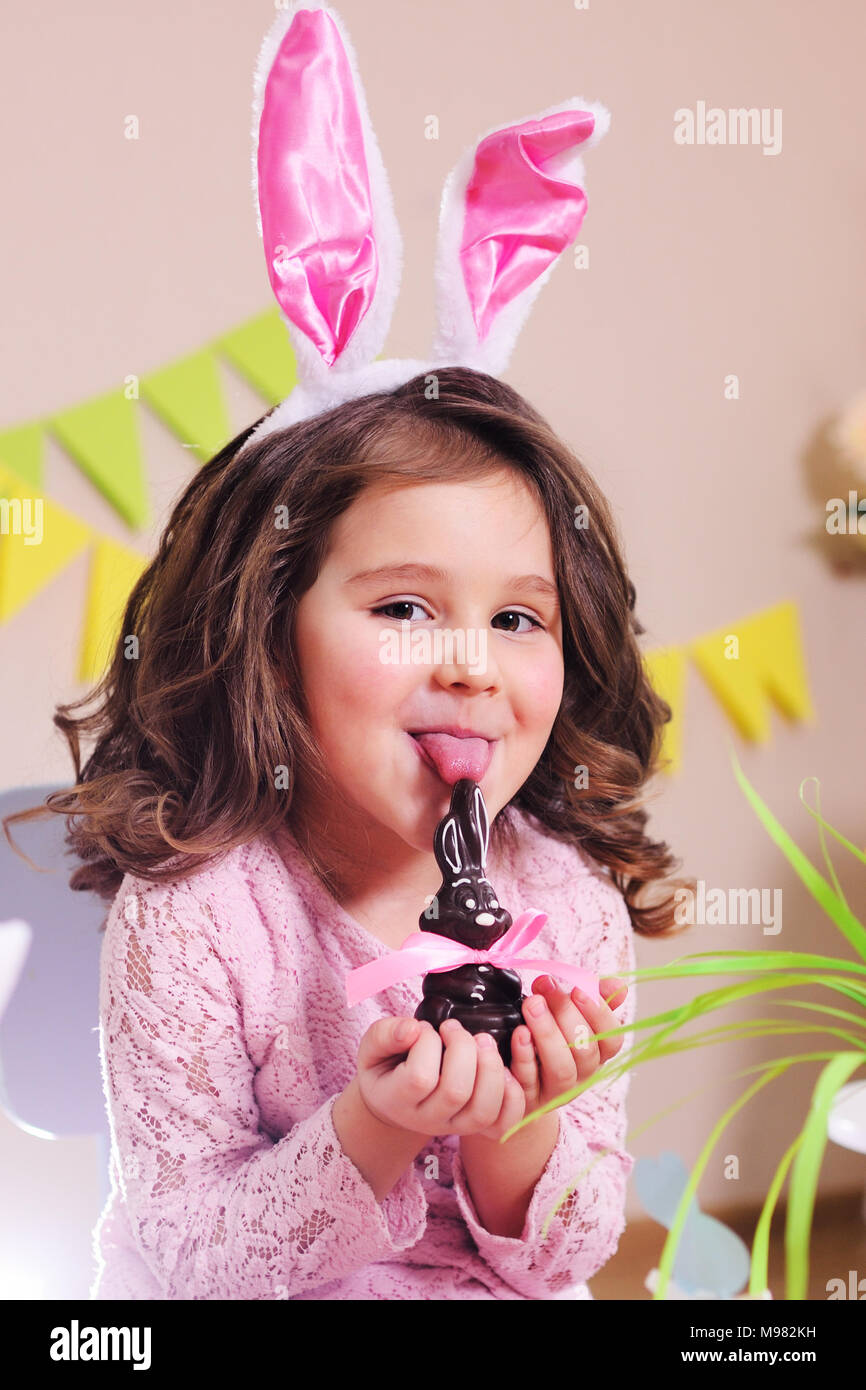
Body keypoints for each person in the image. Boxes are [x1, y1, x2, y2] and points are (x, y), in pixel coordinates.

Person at [2, 4, 693, 1300]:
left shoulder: (567, 908)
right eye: (402, 608)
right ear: (265, 630)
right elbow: (182, 1251)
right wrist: (371, 1128)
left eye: (517, 617)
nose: (472, 665)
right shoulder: (201, 916)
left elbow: (572, 1245)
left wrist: (508, 1132)